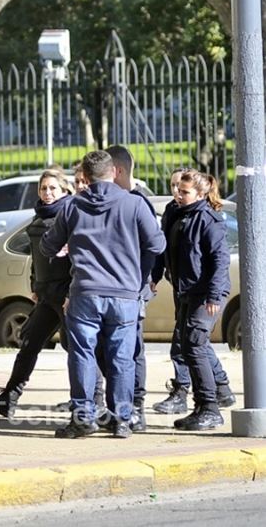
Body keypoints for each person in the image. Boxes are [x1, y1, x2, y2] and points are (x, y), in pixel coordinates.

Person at [41, 150, 165, 439]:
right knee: (122, 357)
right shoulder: (134, 204)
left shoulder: (72, 207)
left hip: (85, 292)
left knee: (82, 354)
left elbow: (48, 246)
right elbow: (157, 245)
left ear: (85, 176)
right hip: (124, 294)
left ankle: (84, 417)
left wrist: (66, 246)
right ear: (113, 173)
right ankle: (122, 419)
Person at [0, 170, 76, 418]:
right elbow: (37, 257)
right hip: (46, 294)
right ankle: (9, 398)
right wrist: (35, 286)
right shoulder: (38, 217)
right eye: (44, 188)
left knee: (76, 348)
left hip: (66, 294)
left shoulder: (70, 216)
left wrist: (72, 293)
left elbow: (78, 259)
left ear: (65, 190)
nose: (47, 193)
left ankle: (91, 401)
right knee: (30, 341)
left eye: (53, 188)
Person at [151, 167, 235, 414]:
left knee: (194, 344)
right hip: (185, 289)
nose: (178, 194)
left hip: (203, 293)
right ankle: (210, 399)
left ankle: (209, 406)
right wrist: (155, 276)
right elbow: (163, 250)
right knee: (190, 345)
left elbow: (219, 260)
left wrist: (213, 294)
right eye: (176, 189)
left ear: (200, 193)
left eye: (184, 191)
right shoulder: (177, 214)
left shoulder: (208, 219)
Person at [103, 145, 156, 432]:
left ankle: (136, 408)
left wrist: (140, 281)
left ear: (118, 171)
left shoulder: (136, 201)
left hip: (132, 290)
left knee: (132, 350)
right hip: (120, 289)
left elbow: (152, 247)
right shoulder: (121, 200)